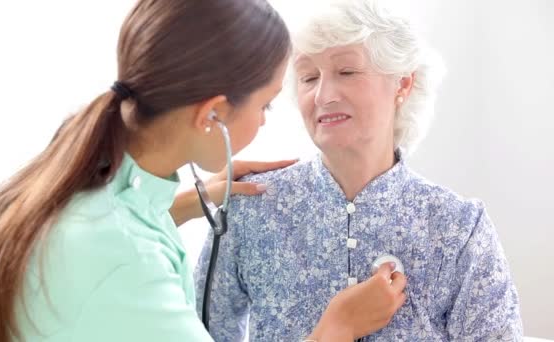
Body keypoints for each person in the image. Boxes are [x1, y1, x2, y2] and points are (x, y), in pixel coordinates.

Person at [0, 0, 408, 341]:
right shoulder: (124, 259)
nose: (269, 119)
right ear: (212, 115)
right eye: (265, 104)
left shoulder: (71, 193)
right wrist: (337, 328)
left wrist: (181, 205)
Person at [195, 0, 523, 341]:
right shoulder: (250, 207)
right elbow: (198, 333)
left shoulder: (459, 227)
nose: (323, 95)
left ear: (403, 84)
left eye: (346, 72)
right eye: (308, 77)